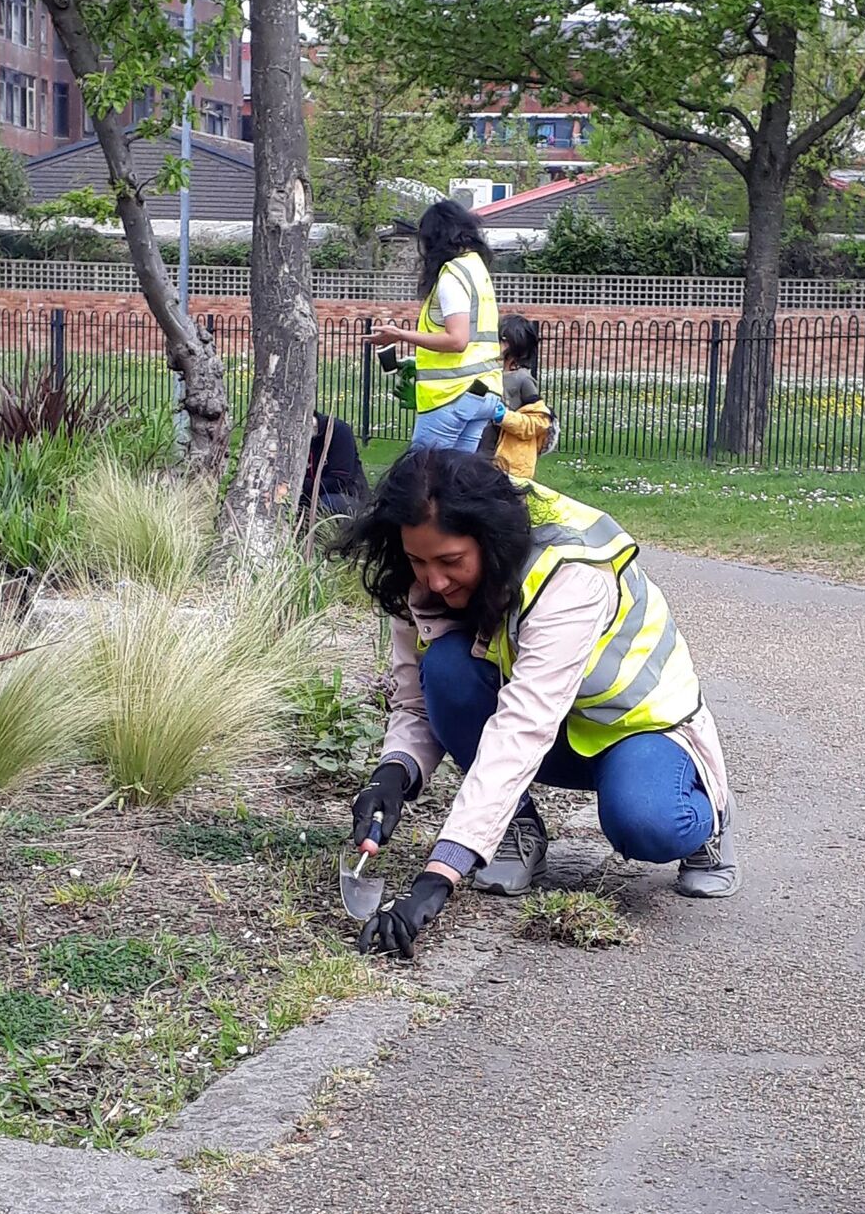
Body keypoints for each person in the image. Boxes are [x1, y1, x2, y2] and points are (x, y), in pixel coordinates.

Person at [340, 446, 739, 961]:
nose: (434, 580)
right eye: (418, 560)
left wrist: (436, 880)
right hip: (556, 730)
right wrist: (392, 774)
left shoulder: (569, 575)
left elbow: (522, 727)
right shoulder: (417, 579)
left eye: (450, 562)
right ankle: (512, 828)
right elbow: (417, 702)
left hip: (638, 728)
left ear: (490, 540)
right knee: (446, 668)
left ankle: (707, 811)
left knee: (646, 823)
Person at [365, 201, 503, 453]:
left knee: (421, 477)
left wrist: (399, 334)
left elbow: (457, 340)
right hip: (484, 389)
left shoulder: (451, 276)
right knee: (456, 480)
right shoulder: (476, 268)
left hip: (453, 394)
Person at [478, 313, 555, 479]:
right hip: (478, 454)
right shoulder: (485, 373)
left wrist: (504, 416)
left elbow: (540, 422)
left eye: (500, 338)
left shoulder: (522, 379)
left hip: (507, 466)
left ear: (514, 343)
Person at [302, 412, 370, 518]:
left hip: (345, 496)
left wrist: (299, 486)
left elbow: (339, 481)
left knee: (325, 503)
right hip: (308, 494)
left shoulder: (338, 431)